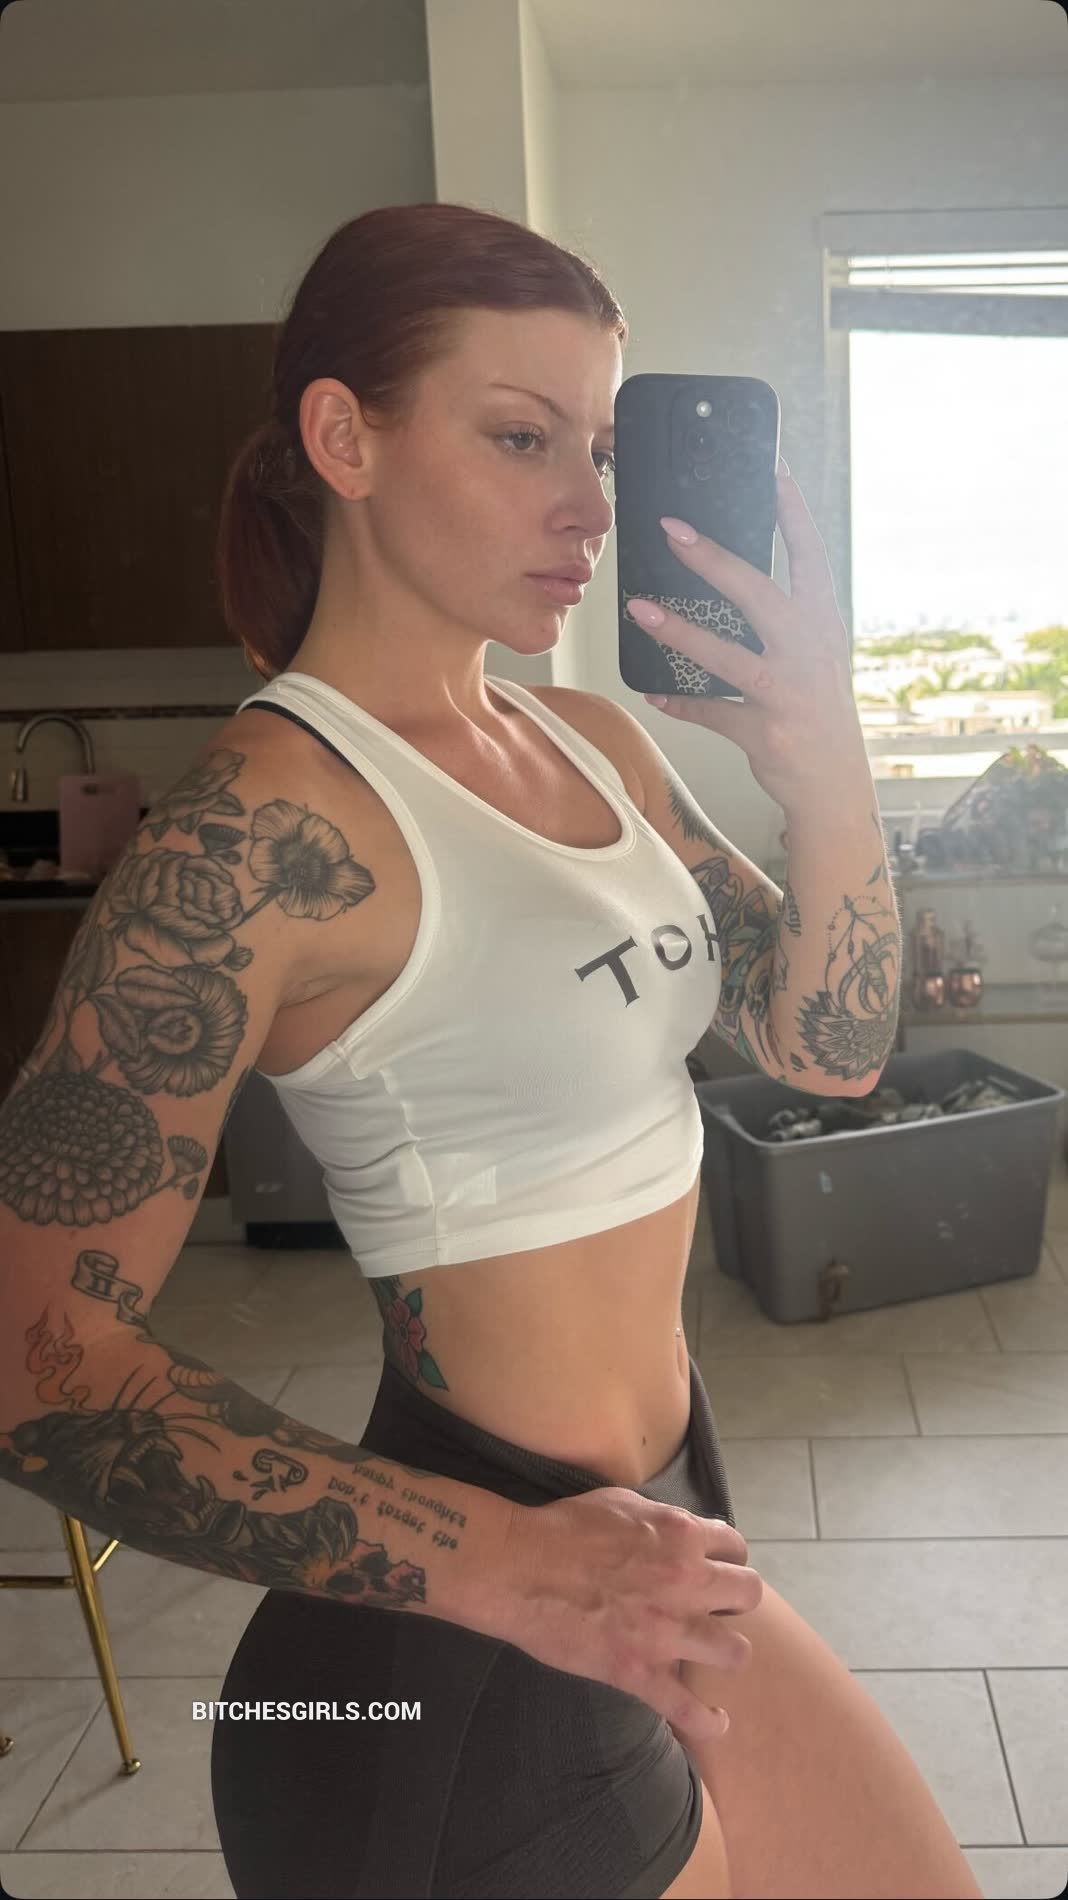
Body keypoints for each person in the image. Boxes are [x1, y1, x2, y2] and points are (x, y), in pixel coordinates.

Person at [0, 202, 983, 1900]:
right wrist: (512, 1567)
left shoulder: (590, 738)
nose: (591, 504)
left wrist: (825, 757)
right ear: (346, 439)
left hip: (660, 1518)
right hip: (463, 1659)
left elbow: (825, 1044)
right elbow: (37, 1362)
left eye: (598, 446)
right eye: (522, 437)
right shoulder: (252, 833)